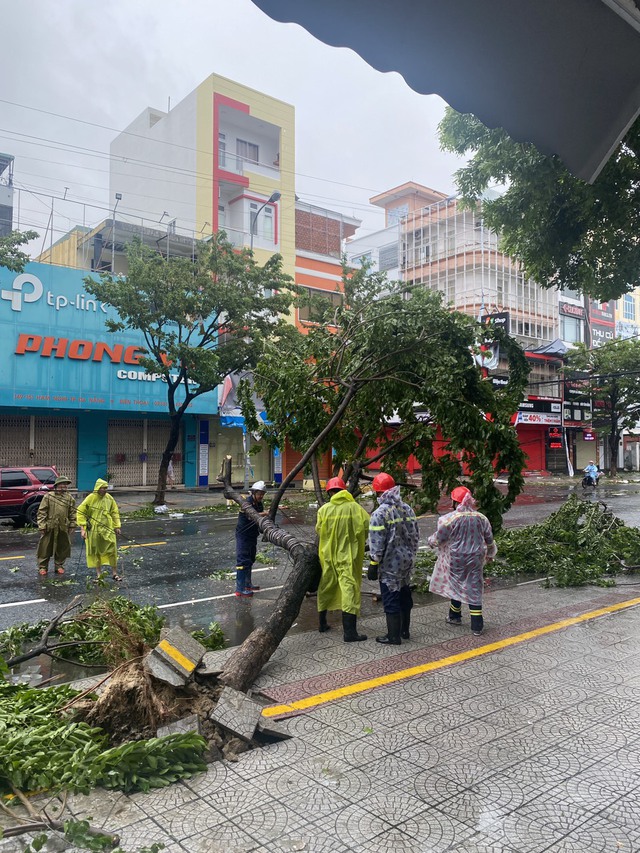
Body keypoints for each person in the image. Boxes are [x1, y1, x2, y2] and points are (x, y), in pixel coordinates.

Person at [428, 486, 496, 636]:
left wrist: (430, 541)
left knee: (455, 584)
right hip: (476, 559)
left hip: (455, 559)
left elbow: (438, 539)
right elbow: (489, 539)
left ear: (454, 502)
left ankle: (455, 616)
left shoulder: (448, 519)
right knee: (474, 586)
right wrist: (490, 554)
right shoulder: (481, 518)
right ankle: (477, 624)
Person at [367, 473, 420, 645]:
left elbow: (377, 542)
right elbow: (415, 535)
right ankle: (405, 631)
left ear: (378, 493)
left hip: (389, 565)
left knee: (391, 599)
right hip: (406, 562)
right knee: (405, 595)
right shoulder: (407, 509)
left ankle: (393, 636)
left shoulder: (379, 514)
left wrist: (374, 563)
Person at [316, 477, 370, 642]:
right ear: (344, 490)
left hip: (328, 556)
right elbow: (367, 529)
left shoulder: (324, 510)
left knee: (326, 586)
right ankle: (350, 633)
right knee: (349, 590)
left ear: (330, 492)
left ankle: (322, 624)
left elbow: (319, 530)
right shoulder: (356, 509)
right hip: (348, 556)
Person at [76, 478, 122, 581]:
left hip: (108, 528)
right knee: (96, 551)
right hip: (94, 529)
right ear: (97, 488)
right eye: (102, 488)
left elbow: (114, 512)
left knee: (112, 550)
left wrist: (117, 526)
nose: (104, 490)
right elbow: (80, 512)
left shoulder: (109, 498)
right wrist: (83, 528)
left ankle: (114, 573)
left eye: (106, 488)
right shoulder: (90, 498)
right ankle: (99, 575)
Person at [36, 476, 76, 576]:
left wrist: (72, 524)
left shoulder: (69, 498)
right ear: (57, 485)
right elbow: (42, 512)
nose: (64, 486)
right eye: (62, 484)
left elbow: (73, 512)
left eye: (66, 485)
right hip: (49, 526)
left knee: (62, 546)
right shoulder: (48, 496)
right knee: (45, 547)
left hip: (63, 526)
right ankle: (43, 567)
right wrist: (42, 525)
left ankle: (59, 565)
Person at [235, 480, 267, 598]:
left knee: (250, 559)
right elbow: (252, 515)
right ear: (253, 493)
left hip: (253, 535)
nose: (261, 496)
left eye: (262, 494)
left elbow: (260, 517)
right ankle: (240, 589)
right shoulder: (246, 503)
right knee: (242, 560)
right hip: (243, 535)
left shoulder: (259, 504)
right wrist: (265, 514)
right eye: (259, 494)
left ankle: (248, 584)